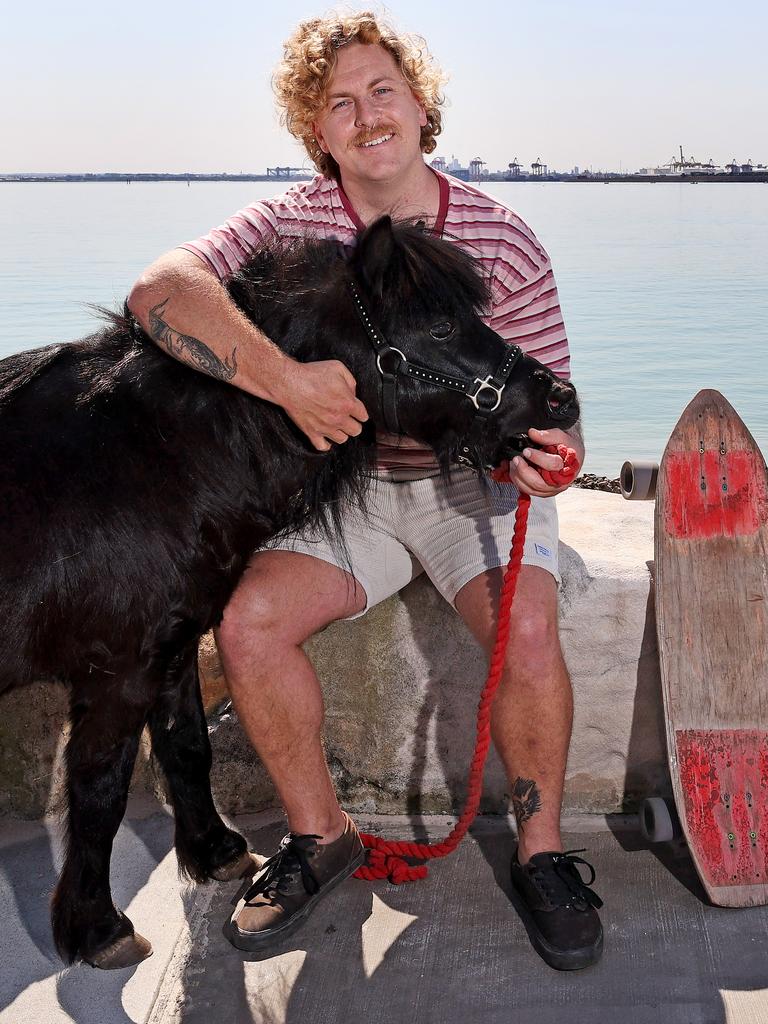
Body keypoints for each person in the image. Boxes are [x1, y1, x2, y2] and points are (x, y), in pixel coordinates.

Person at [127, 11, 603, 972]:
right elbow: (158, 291)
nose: (365, 114)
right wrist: (285, 380)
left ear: (422, 107)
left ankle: (545, 854)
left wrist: (541, 457)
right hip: (347, 498)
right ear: (319, 132)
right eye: (338, 103)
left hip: (474, 491)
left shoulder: (502, 238)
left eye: (382, 90)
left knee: (529, 630)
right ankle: (322, 836)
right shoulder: (290, 224)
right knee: (250, 623)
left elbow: (562, 418)